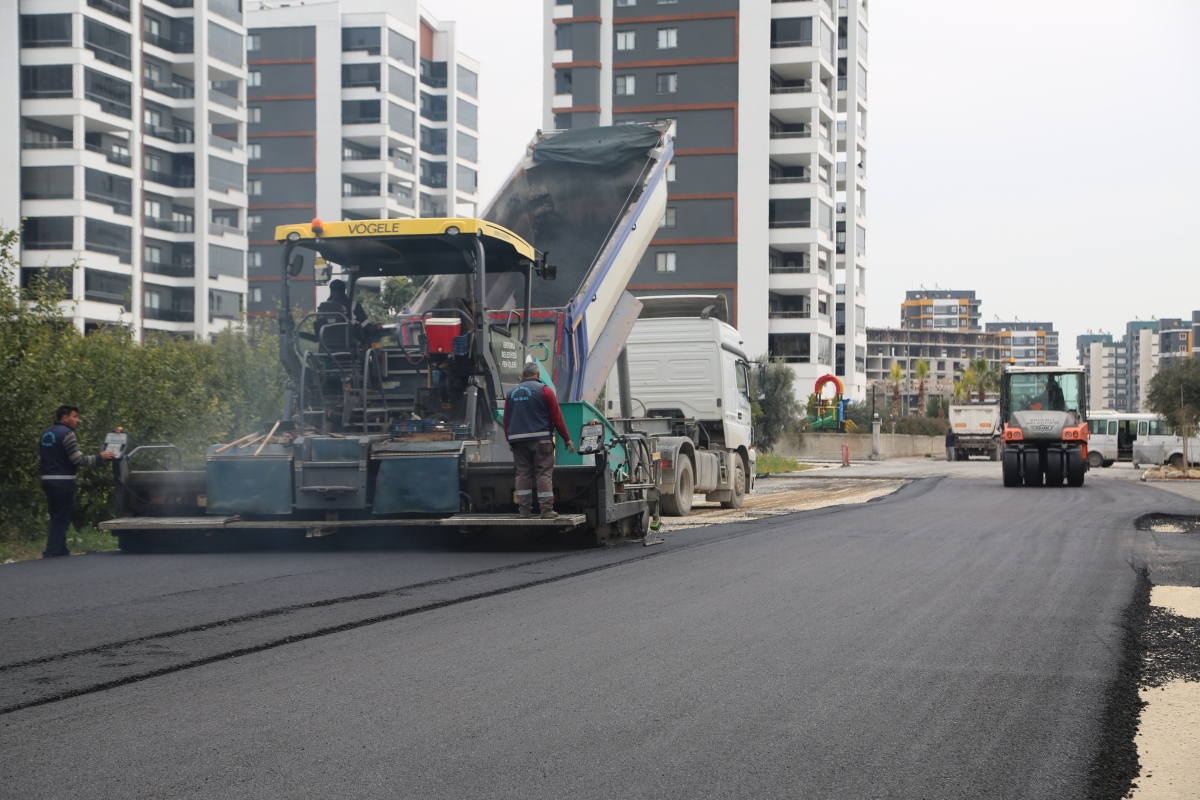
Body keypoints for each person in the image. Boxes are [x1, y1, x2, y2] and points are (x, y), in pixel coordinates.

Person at [39, 405, 115, 558]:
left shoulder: (46, 433)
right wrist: (101, 457)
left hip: (47, 480)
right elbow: (78, 459)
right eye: (75, 416)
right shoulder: (67, 434)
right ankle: (51, 551)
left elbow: (40, 459)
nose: (77, 420)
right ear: (65, 418)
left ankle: (62, 550)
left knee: (56, 515)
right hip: (63, 481)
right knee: (62, 518)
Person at [503, 362, 575, 519]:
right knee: (543, 473)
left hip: (518, 441)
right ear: (538, 375)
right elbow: (557, 418)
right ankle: (546, 510)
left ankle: (524, 510)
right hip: (541, 440)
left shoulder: (511, 393)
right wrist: (567, 438)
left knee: (522, 474)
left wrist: (510, 440)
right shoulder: (545, 391)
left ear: (523, 376)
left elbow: (506, 419)